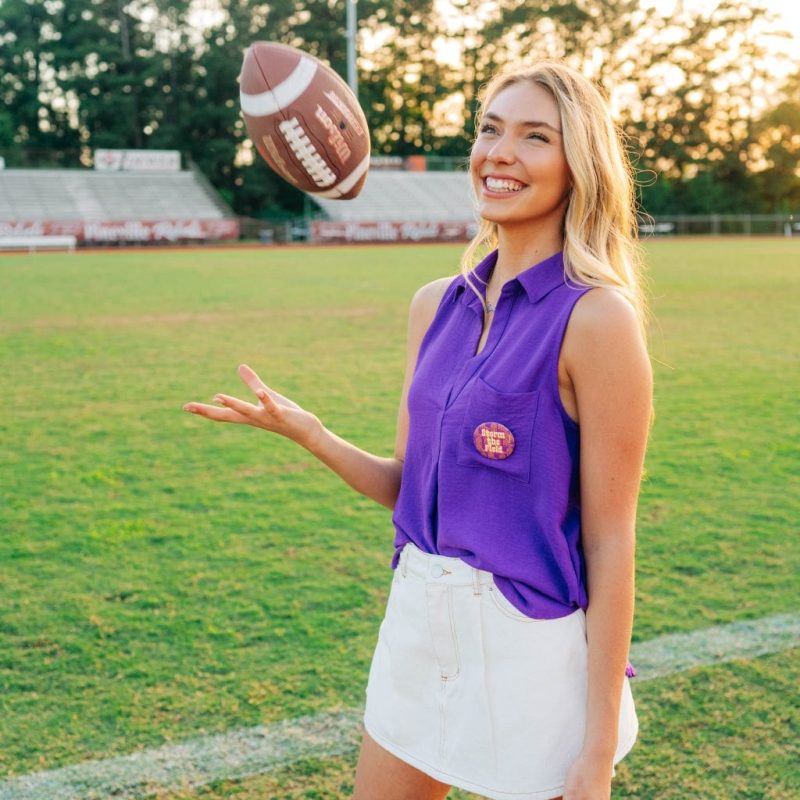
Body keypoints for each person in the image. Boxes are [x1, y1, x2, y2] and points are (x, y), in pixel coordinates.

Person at [184, 60, 652, 800]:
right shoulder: (434, 305)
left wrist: (595, 752)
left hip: (529, 650)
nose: (499, 153)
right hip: (417, 621)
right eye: (490, 130)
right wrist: (312, 434)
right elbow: (408, 488)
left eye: (535, 137)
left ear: (580, 166)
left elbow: (610, 541)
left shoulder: (597, 319)